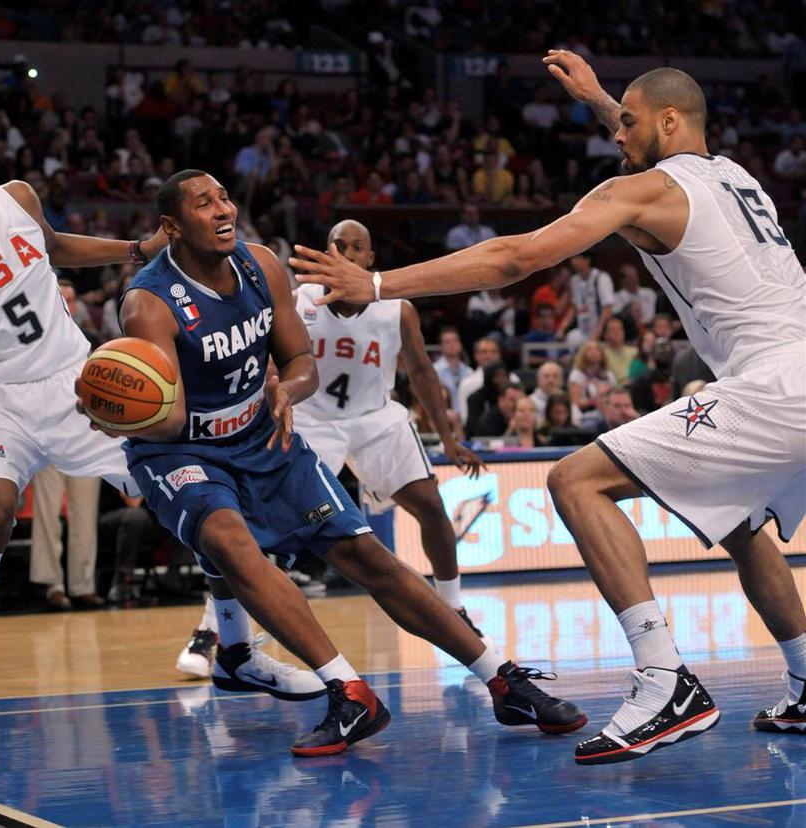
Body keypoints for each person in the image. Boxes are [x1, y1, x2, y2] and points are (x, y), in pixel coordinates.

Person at [291, 55, 806, 765]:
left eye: (627, 122)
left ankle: (666, 680)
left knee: (574, 480)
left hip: (774, 387)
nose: (615, 134)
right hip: (792, 376)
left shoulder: (644, 190)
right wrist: (600, 97)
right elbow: (661, 138)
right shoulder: (737, 177)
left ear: (665, 121)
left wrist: (376, 284)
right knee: (744, 527)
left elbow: (516, 258)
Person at [92, 169, 587, 756]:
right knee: (228, 539)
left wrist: (287, 390)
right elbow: (170, 418)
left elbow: (301, 361)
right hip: (184, 449)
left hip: (262, 432)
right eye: (204, 203)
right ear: (172, 227)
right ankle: (348, 692)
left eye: (224, 197)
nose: (223, 209)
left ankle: (504, 681)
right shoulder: (149, 303)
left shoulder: (261, 265)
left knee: (365, 554)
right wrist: (123, 414)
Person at [0, 146, 315, 761]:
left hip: (77, 380)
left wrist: (134, 250)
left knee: (194, 490)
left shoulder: (15, 197)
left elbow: (53, 247)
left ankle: (235, 650)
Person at [295, 219, 487, 630]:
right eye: (339, 245)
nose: (348, 254)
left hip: (376, 419)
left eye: (357, 247)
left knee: (431, 505)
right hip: (312, 420)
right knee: (271, 519)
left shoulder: (397, 308)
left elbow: (421, 371)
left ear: (370, 258)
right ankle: (222, 628)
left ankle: (453, 609)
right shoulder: (301, 300)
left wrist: (448, 439)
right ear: (328, 253)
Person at [30, 466, 103, 610]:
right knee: (47, 513)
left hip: (86, 452)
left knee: (86, 516)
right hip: (48, 452)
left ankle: (83, 586)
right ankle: (53, 585)